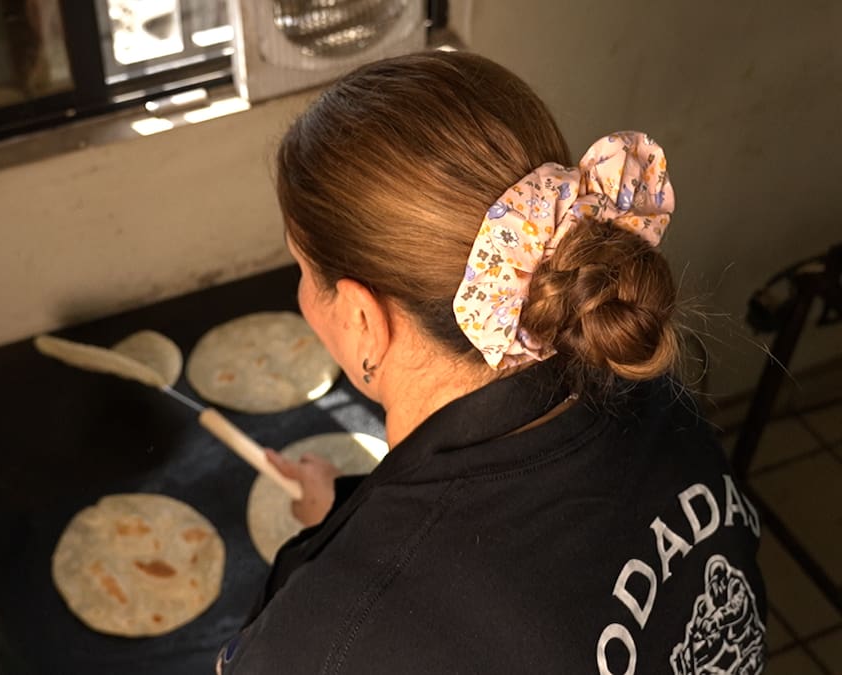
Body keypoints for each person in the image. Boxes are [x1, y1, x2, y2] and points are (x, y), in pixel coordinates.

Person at [216, 51, 766, 675]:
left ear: (364, 320)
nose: (299, 293)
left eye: (303, 271)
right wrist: (343, 523)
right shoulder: (648, 385)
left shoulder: (331, 640)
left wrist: (344, 568)